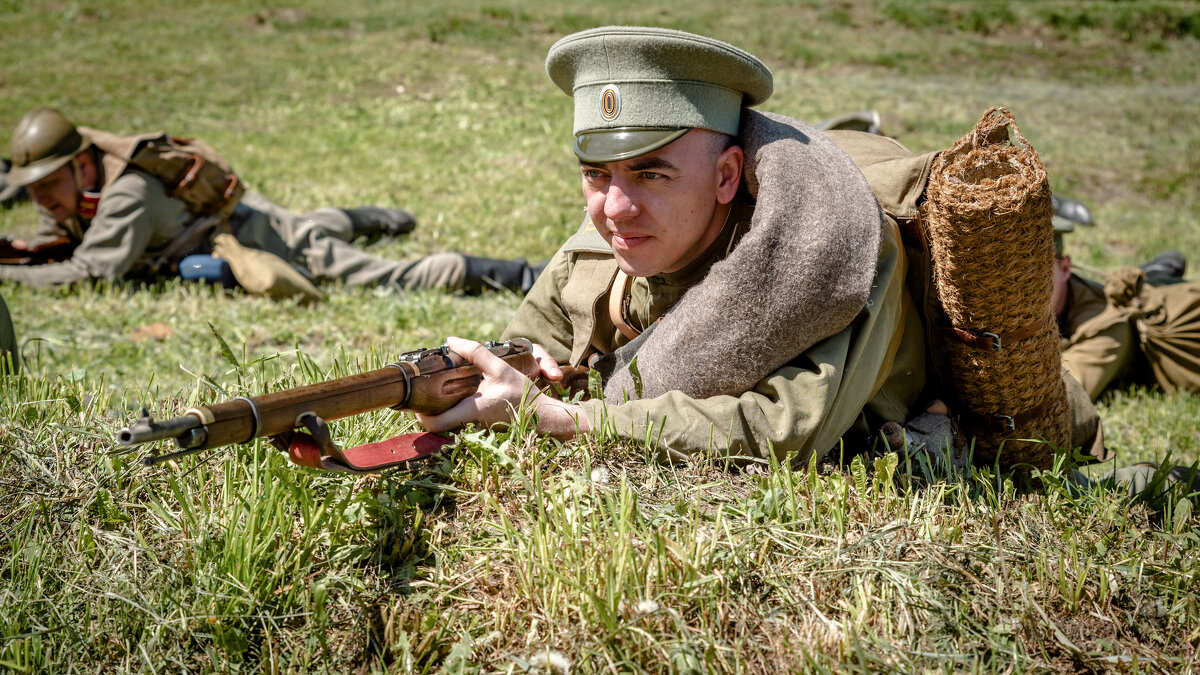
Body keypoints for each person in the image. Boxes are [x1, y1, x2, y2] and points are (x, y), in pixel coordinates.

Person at [417, 26, 928, 464]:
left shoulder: (829, 246)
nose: (615, 207)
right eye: (596, 173)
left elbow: (785, 428)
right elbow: (532, 349)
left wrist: (562, 419)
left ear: (727, 175)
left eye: (652, 174)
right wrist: (470, 388)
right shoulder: (609, 237)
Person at [0, 107, 541, 295]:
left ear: (81, 164)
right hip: (227, 225)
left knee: (379, 277)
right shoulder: (91, 177)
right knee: (314, 232)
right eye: (32, 189)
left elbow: (94, 272)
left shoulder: (127, 194)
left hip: (253, 230)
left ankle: (521, 275)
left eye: (48, 185)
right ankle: (347, 219)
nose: (41, 199)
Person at [1052, 210, 1189, 400]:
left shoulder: (1105, 327)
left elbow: (1060, 395)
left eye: (1037, 275)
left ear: (1065, 268)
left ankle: (1156, 276)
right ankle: (1156, 273)